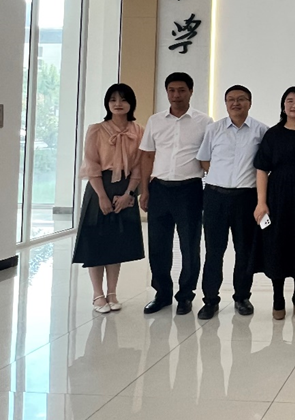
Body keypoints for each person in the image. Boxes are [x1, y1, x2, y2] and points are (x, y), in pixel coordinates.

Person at [139, 72, 212, 315]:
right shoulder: (155, 121)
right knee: (158, 246)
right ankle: (162, 294)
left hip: (189, 189)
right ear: (166, 92)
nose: (176, 95)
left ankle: (185, 295)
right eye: (171, 90)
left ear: (191, 92)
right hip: (159, 188)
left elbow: (209, 157)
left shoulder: (204, 122)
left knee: (189, 246)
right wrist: (145, 190)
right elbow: (147, 156)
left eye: (181, 90)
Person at [196, 85, 269, 320]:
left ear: (250, 102)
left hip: (246, 199)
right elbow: (204, 160)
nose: (236, 103)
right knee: (214, 251)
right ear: (226, 103)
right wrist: (222, 178)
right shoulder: (214, 129)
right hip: (215, 197)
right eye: (231, 99)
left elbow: (265, 166)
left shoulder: (261, 131)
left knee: (244, 251)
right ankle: (210, 300)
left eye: (241, 99)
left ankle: (242, 297)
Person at [72, 83, 146, 313]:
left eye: (123, 99)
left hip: (126, 187)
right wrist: (102, 196)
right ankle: (97, 294)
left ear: (131, 103)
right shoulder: (96, 130)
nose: (118, 104)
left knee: (116, 242)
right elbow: (91, 164)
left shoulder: (139, 131)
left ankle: (112, 292)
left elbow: (139, 166)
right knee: (96, 241)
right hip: (99, 187)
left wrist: (129, 194)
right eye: (113, 99)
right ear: (107, 104)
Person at [253, 86, 295, 320]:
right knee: (277, 246)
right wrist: (261, 203)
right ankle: (277, 298)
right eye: (290, 101)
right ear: (283, 106)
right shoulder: (273, 134)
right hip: (278, 198)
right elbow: (262, 169)